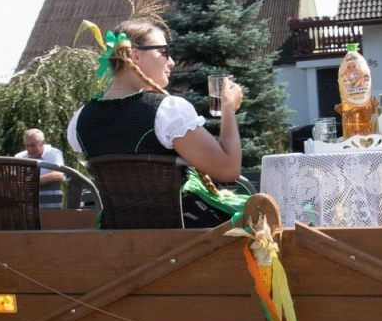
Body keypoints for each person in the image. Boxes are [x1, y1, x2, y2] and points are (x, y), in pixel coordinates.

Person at [66, 18, 244, 228]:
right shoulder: (167, 111)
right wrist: (228, 108)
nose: (172, 62)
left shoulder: (80, 119)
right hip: (184, 233)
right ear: (135, 55)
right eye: (164, 52)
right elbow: (229, 169)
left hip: (116, 233)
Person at [14, 128, 67, 208]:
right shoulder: (19, 157)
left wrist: (32, 182)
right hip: (29, 209)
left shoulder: (54, 153)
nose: (30, 149)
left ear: (43, 143)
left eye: (33, 145)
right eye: (27, 145)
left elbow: (59, 174)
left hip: (54, 208)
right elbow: (12, 179)